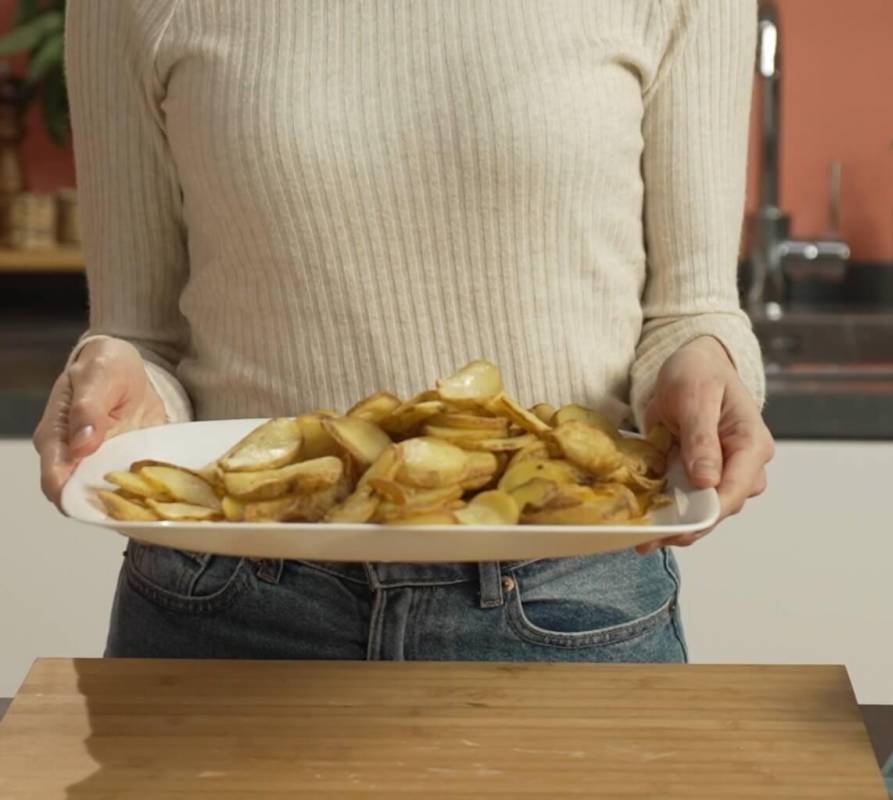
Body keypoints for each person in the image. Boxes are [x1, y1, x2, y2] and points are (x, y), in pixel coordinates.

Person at [35, 0, 773, 662]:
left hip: (569, 605)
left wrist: (707, 362)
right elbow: (141, 333)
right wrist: (115, 380)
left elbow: (690, 310)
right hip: (225, 602)